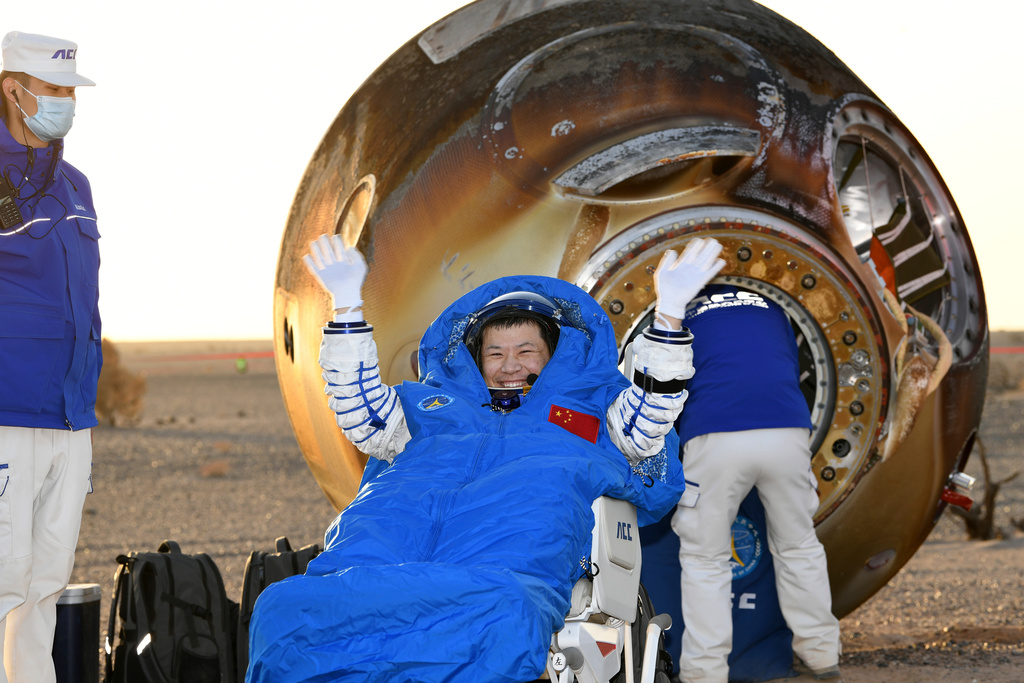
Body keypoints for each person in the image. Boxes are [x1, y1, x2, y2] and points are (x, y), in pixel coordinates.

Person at [245, 235, 725, 682]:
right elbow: (359, 409)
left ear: (554, 355)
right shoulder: (427, 407)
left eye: (526, 351)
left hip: (497, 575)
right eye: (495, 353)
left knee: (503, 613)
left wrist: (668, 317)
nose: (509, 364)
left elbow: (649, 415)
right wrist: (347, 304)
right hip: (374, 559)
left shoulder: (591, 413)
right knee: (284, 608)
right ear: (475, 357)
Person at [669, 284, 841, 682]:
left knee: (705, 558)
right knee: (799, 546)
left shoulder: (680, 308)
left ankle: (704, 672)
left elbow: (666, 378)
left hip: (716, 431)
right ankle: (822, 656)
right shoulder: (773, 305)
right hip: (787, 428)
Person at [0, 31, 100, 683]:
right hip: (8, 412)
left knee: (42, 589)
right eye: (54, 89)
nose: (67, 101)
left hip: (70, 416)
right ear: (13, 89)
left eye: (71, 90)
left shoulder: (76, 185)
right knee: (2, 581)